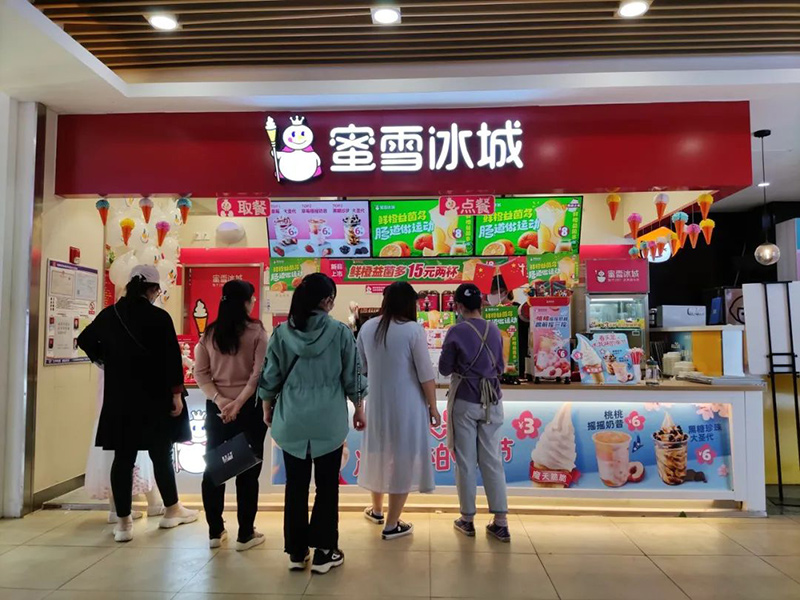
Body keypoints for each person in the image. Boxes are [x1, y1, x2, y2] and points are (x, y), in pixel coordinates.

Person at [77, 265, 198, 542]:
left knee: (123, 459)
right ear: (152, 289)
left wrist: (105, 359)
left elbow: (84, 339)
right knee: (161, 454)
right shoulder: (159, 317)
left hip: (120, 399)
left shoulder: (110, 314)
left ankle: (123, 524)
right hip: (155, 398)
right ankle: (171, 510)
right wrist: (176, 394)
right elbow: (171, 358)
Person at [259, 273, 366, 574]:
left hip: (291, 419)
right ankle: (324, 551)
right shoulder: (341, 332)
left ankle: (296, 551)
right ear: (326, 301)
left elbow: (269, 376)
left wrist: (267, 408)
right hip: (327, 422)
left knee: (295, 486)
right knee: (327, 486)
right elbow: (354, 376)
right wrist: (359, 409)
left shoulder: (281, 333)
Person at [356, 282, 440, 540]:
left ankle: (377, 511)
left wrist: (359, 405)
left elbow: (360, 369)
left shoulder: (368, 327)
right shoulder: (413, 330)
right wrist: (433, 407)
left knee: (379, 453)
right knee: (403, 457)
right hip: (407, 406)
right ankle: (392, 524)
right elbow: (426, 374)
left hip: (376, 403)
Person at [194, 279, 268, 551]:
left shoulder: (210, 334)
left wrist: (220, 400)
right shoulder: (257, 332)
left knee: (216, 468)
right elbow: (258, 374)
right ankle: (245, 534)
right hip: (249, 409)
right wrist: (237, 403)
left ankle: (215, 531)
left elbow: (201, 374)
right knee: (248, 472)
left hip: (218, 411)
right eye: (252, 298)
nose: (254, 302)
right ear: (246, 302)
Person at [438, 282, 511, 543]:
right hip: (492, 400)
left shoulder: (456, 331)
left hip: (465, 400)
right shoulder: (495, 330)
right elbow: (500, 367)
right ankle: (500, 522)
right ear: (481, 304)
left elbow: (444, 369)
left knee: (466, 461)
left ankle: (467, 519)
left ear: (458, 306)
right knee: (492, 460)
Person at [84, 367, 165, 524]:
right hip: (130, 407)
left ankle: (118, 509)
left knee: (114, 459)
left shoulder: (103, 356)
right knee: (135, 456)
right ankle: (151, 504)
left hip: (108, 410)